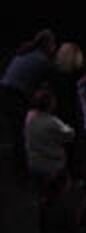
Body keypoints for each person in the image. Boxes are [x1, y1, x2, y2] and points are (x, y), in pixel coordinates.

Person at [2, 30, 57, 179]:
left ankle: (19, 165)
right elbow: (49, 82)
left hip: (6, 92)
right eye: (53, 44)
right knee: (21, 131)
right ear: (47, 45)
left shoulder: (24, 53)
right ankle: (21, 169)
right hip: (14, 95)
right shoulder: (42, 60)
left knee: (17, 130)